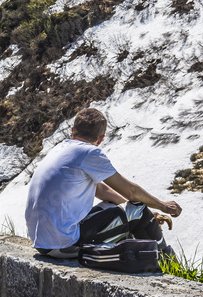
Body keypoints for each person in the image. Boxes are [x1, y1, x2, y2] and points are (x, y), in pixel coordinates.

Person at [25, 107, 181, 259]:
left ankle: (147, 256)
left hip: (42, 244)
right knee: (138, 209)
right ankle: (167, 262)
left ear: (73, 130)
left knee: (119, 208)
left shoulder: (60, 149)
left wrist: (147, 213)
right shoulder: (89, 152)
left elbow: (101, 190)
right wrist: (163, 206)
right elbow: (131, 192)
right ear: (100, 139)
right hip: (65, 243)